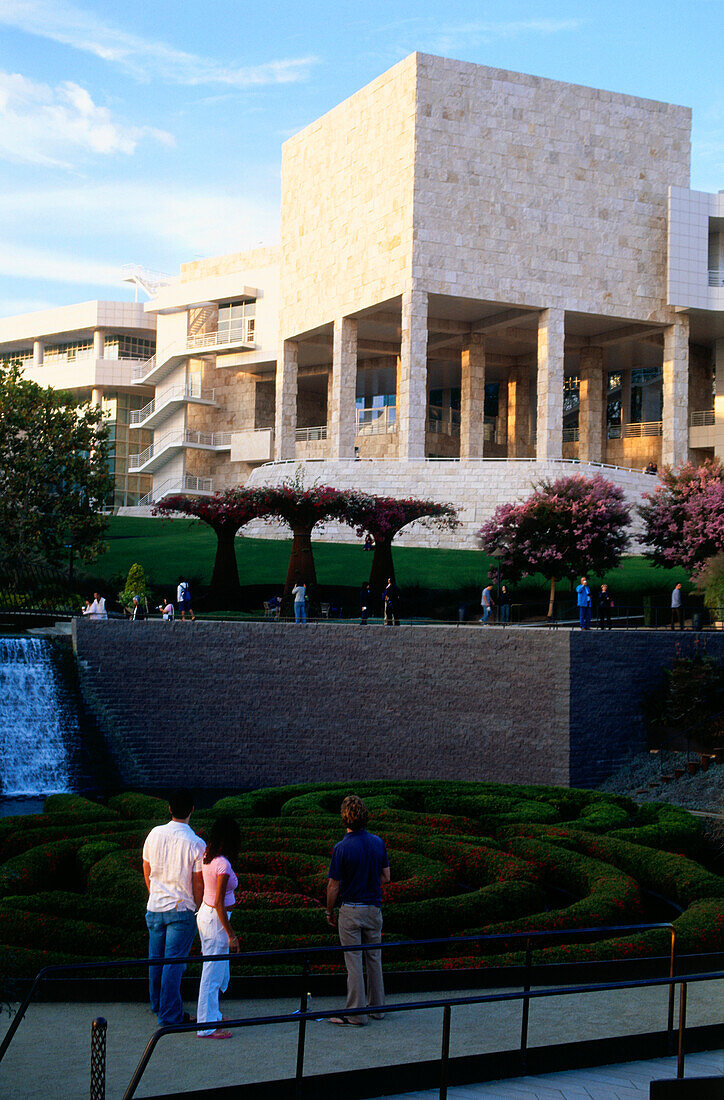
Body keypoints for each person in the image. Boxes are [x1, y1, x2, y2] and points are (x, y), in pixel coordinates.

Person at [142, 789, 205, 1027]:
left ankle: (158, 1004)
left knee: (155, 959)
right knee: (173, 963)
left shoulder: (154, 834)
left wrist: (153, 893)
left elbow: (146, 868)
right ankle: (169, 1014)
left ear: (169, 809)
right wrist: (197, 908)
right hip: (181, 909)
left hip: (155, 905)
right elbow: (198, 882)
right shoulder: (196, 843)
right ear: (191, 810)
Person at [326, 795, 390, 1026]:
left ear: (344, 818)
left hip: (351, 910)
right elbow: (386, 877)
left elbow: (334, 885)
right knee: (374, 958)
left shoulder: (341, 848)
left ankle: (355, 1013)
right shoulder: (378, 842)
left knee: (353, 961)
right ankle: (378, 1008)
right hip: (373, 909)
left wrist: (328, 911)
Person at [196, 816, 240, 1040]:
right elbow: (220, 904)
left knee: (215, 969)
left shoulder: (208, 855)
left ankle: (212, 1015)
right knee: (212, 973)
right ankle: (206, 1027)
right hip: (215, 920)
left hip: (208, 916)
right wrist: (232, 935)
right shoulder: (222, 864)